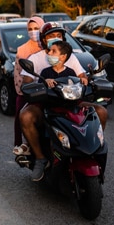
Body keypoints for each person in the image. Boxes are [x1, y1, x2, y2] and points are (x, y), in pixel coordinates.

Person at [19, 22, 108, 181]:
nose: (55, 39)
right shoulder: (37, 59)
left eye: (58, 35)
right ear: (44, 40)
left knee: (101, 111)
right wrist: (39, 84)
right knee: (26, 116)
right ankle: (40, 158)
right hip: (46, 104)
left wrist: (86, 80)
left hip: (71, 101)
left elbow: (81, 76)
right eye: (51, 36)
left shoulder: (70, 58)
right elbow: (26, 80)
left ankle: (93, 148)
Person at [12, 16, 45, 156]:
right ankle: (26, 146)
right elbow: (19, 75)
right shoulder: (22, 49)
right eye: (30, 29)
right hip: (29, 92)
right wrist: (25, 91)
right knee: (23, 115)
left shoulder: (51, 48)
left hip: (51, 92)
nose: (33, 32)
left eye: (36, 28)